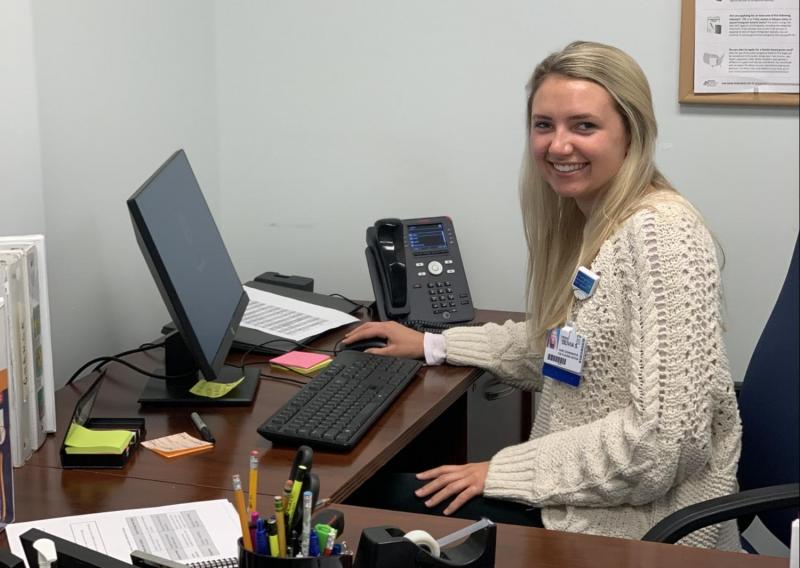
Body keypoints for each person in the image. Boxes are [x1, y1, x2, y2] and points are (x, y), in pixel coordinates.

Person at [343, 41, 742, 550]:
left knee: (359, 507)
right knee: (382, 492)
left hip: (634, 527)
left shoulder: (662, 233)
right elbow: (566, 350)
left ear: (632, 133)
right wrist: (434, 345)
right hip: (588, 499)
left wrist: (502, 471)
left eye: (584, 126)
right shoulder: (601, 220)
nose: (558, 146)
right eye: (543, 125)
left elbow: (663, 444)